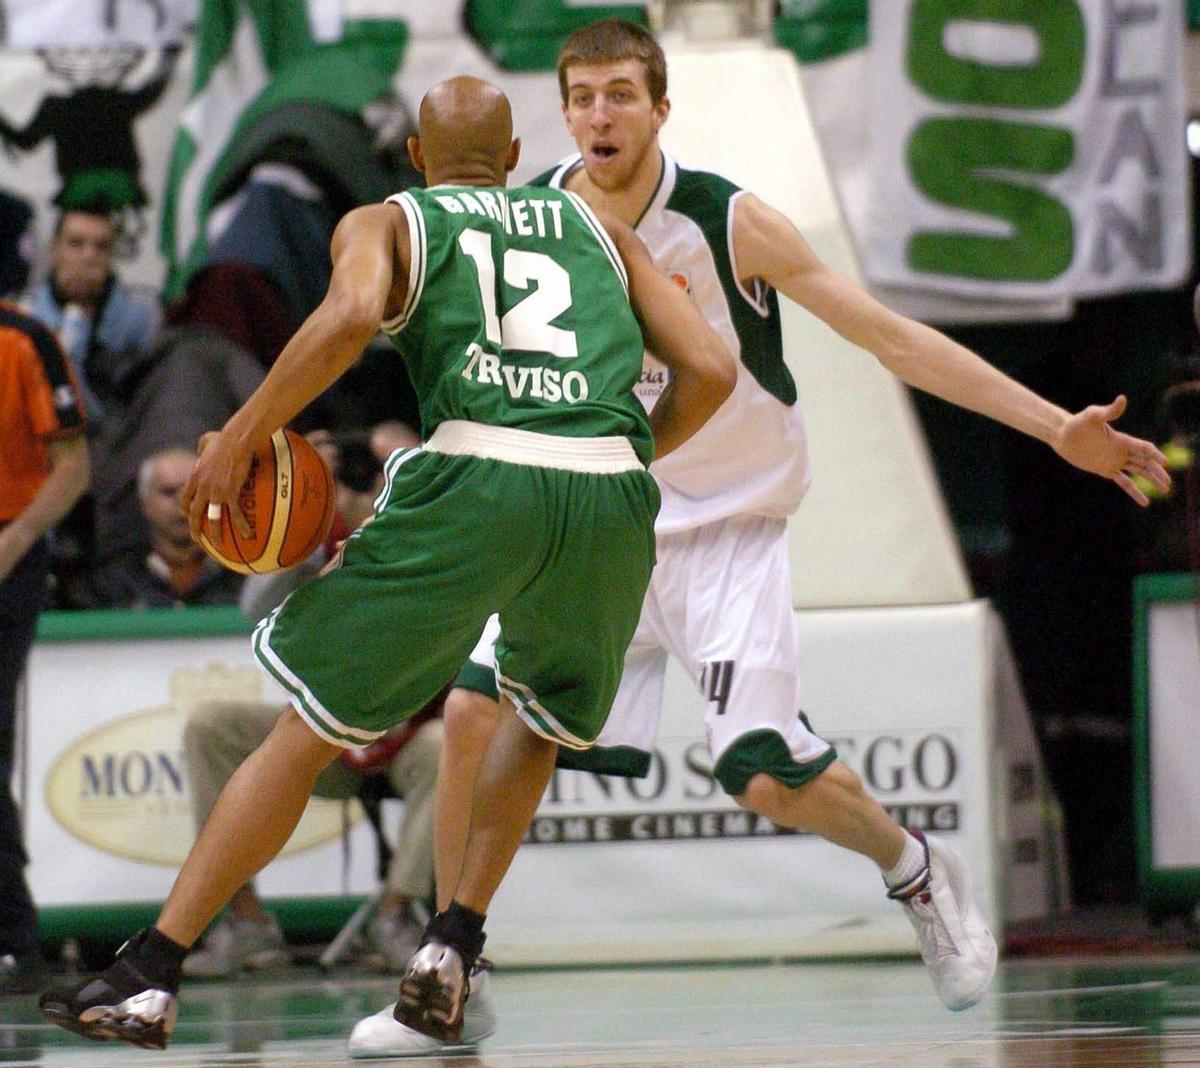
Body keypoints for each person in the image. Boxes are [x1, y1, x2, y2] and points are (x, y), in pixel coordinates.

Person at [346, 18, 1175, 1057]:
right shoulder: (534, 218)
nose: (599, 114)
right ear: (561, 111)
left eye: (619, 95)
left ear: (659, 107)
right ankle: (453, 965)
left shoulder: (727, 221)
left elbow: (892, 338)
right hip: (598, 519)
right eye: (582, 96)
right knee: (473, 717)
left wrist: (1059, 428)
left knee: (762, 776)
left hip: (725, 527)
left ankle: (914, 865)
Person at [37, 75, 735, 1050]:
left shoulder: (390, 218)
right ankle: (453, 941)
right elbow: (712, 368)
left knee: (306, 730)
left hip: (478, 477)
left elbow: (350, 317)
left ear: (414, 157)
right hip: (610, 484)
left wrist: (242, 432)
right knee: (534, 714)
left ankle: (150, 972)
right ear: (510, 163)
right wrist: (623, 455)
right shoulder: (601, 230)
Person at [183, 432, 443, 977]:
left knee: (447, 746)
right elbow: (253, 608)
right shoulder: (320, 533)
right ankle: (247, 921)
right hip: (327, 732)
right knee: (210, 725)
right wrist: (304, 534)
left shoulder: (432, 531)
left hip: (408, 739)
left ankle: (395, 915)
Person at [0, 301, 89, 995]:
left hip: (9, 546)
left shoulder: (26, 339)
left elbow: (73, 466)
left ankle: (12, 933)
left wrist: (18, 539)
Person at [25, 205, 160, 425]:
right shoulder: (26, 315)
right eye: (75, 243)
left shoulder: (141, 316)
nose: (89, 256)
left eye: (101, 246)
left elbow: (148, 403)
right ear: (54, 249)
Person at [90, 449, 243, 609]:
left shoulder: (241, 573)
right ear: (145, 503)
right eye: (169, 492)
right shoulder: (113, 579)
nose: (183, 503)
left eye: (194, 491)